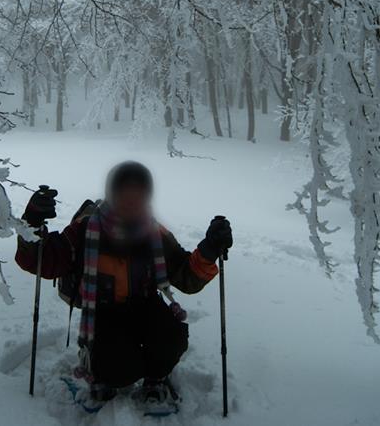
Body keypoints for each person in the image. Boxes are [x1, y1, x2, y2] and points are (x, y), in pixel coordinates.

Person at [15, 161, 233, 411]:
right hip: (103, 313)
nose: (131, 200)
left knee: (172, 339)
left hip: (145, 306)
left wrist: (209, 249)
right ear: (112, 194)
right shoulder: (85, 229)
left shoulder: (154, 232)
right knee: (119, 369)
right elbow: (44, 260)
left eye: (138, 194)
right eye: (124, 193)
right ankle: (100, 370)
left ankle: (155, 376)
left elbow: (185, 276)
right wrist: (31, 223)